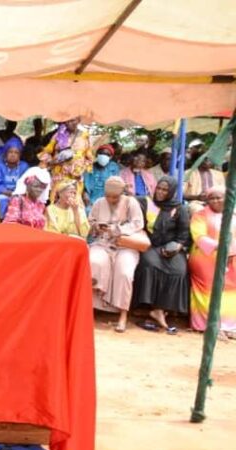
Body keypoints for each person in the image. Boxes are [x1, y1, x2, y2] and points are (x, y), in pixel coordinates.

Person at [132, 176, 191, 334]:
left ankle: (162, 310)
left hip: (171, 248)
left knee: (179, 270)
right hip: (151, 246)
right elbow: (130, 204)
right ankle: (147, 307)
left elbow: (183, 235)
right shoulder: (146, 203)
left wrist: (176, 247)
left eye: (165, 190)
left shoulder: (180, 209)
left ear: (171, 191)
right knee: (148, 264)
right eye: (159, 188)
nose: (160, 192)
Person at [89, 176, 146, 332]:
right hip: (103, 243)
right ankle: (91, 310)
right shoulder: (99, 202)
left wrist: (118, 229)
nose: (111, 199)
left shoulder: (131, 202)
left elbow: (138, 223)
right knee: (94, 262)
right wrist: (97, 227)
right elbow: (91, 222)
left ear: (122, 193)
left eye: (115, 197)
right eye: (108, 196)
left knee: (125, 273)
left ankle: (123, 315)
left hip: (125, 245)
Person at [188, 187, 235, 337]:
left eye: (219, 198)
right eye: (212, 198)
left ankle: (229, 326)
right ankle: (210, 326)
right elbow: (199, 236)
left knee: (231, 287)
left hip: (231, 256)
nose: (215, 201)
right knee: (209, 287)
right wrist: (221, 246)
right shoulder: (200, 215)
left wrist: (230, 250)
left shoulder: (233, 214)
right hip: (205, 257)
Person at [41, 117, 94, 202]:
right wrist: (54, 161)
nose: (69, 123)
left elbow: (90, 160)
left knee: (73, 206)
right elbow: (45, 154)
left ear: (78, 120)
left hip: (75, 181)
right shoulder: (58, 135)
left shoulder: (85, 136)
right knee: (56, 208)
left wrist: (80, 168)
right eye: (67, 120)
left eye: (72, 120)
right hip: (58, 180)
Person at [0, 137, 29, 216]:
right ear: (6, 153)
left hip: (18, 194)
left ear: (20, 155)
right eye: (10, 152)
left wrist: (17, 194)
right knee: (3, 200)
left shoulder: (24, 166)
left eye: (16, 152)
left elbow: (27, 183)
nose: (13, 155)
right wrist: (11, 193)